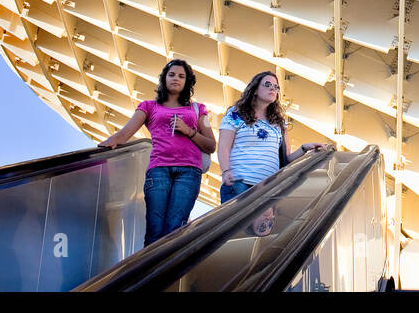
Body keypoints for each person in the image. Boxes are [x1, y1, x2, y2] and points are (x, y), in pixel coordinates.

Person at [99, 58, 216, 245]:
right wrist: (107, 145)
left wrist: (188, 131)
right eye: (171, 75)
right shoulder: (149, 106)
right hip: (159, 170)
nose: (176, 78)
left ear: (187, 82)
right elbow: (124, 134)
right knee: (154, 230)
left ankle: (170, 273)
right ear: (164, 79)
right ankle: (149, 273)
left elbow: (211, 145)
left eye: (181, 76)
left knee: (175, 229)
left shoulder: (197, 109)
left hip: (189, 172)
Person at [218, 70, 327, 202]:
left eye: (276, 87)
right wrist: (225, 171)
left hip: (268, 189)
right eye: (267, 84)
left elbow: (287, 158)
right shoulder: (235, 114)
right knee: (237, 222)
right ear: (255, 90)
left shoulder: (279, 123)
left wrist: (304, 148)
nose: (272, 89)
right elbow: (224, 147)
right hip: (239, 183)